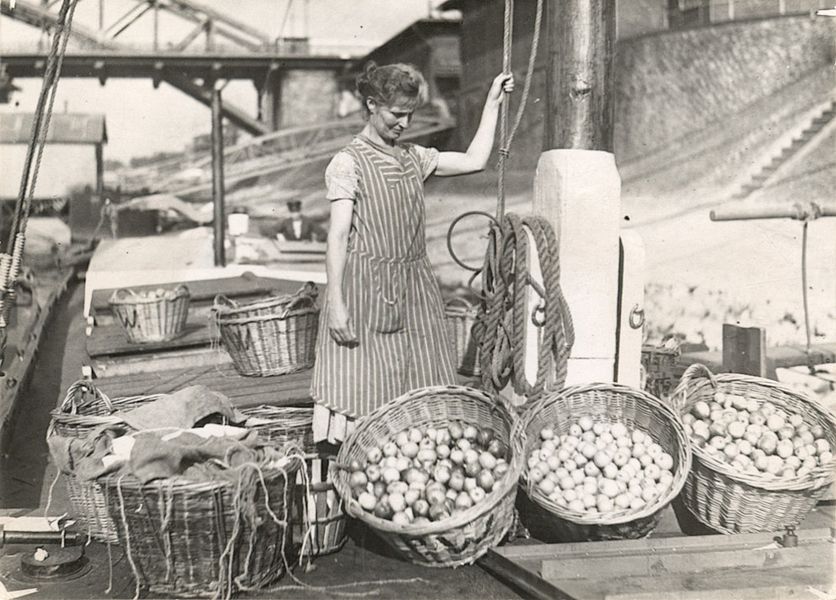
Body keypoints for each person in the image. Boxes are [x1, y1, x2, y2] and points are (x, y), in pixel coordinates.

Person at [310, 62, 514, 444]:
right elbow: (337, 236)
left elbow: (475, 160)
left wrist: (492, 104)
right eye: (396, 114)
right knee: (367, 386)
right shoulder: (347, 163)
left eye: (410, 115)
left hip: (415, 287)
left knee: (423, 374)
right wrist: (335, 303)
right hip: (366, 291)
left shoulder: (413, 158)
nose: (404, 123)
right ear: (372, 105)